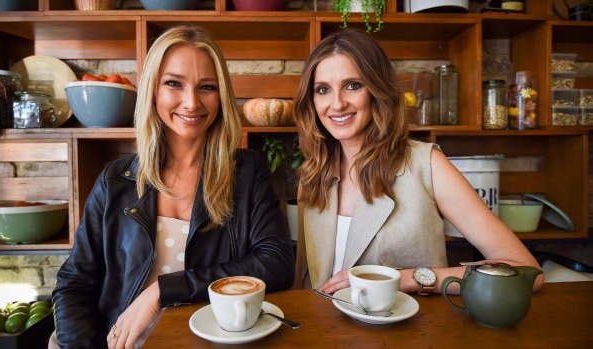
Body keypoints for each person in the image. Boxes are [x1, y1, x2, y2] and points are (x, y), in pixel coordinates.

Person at [51, 25, 295, 349]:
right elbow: (74, 284)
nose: (191, 102)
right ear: (153, 89)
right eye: (173, 84)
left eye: (206, 87)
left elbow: (277, 264)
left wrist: (163, 290)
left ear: (220, 95)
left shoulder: (248, 172)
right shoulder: (115, 180)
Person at [292, 28, 543, 295]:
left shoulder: (428, 164)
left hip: (411, 334)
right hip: (326, 332)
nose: (337, 103)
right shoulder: (312, 175)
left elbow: (527, 271)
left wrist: (411, 278)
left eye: (353, 85)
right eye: (323, 90)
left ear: (377, 90)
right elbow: (305, 282)